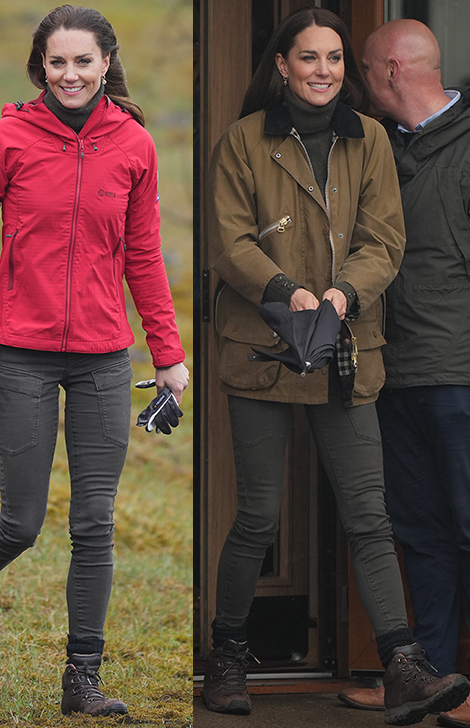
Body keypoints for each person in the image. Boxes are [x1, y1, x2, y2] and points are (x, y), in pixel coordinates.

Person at [204, 8, 469, 725]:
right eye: (308, 58)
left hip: (346, 349)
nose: (322, 70)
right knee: (257, 516)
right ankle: (227, 657)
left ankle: (405, 663)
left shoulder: (372, 141)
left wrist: (341, 293)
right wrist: (286, 292)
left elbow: (386, 240)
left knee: (370, 518)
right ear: (282, 66)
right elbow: (228, 243)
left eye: (333, 59)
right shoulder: (242, 141)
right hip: (263, 348)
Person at [0, 4, 188, 717]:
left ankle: (83, 680)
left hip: (105, 358)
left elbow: (143, 254)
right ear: (39, 68)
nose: (70, 75)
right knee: (21, 521)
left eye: (83, 62)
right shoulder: (6, 138)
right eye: (57, 63)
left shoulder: (134, 144)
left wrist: (168, 355)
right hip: (23, 356)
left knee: (94, 524)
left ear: (106, 63)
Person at [335, 19, 470, 728]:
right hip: (394, 371)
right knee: (419, 531)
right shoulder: (379, 149)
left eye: (359, 67)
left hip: (459, 378)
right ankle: (431, 683)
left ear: (391, 69)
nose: (354, 81)